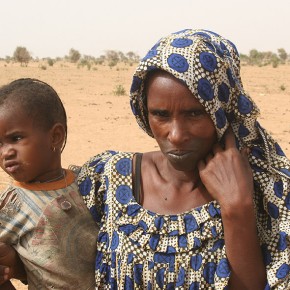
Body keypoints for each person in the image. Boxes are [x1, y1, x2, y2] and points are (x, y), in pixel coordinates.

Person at [77, 29, 290, 289]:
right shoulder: (107, 179)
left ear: (221, 111)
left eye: (194, 114)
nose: (176, 136)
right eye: (161, 114)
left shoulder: (268, 194)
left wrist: (237, 208)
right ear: (144, 112)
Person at [0, 78, 98, 289]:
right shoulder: (12, 203)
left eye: (16, 138)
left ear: (55, 136)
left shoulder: (86, 183)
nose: (5, 152)